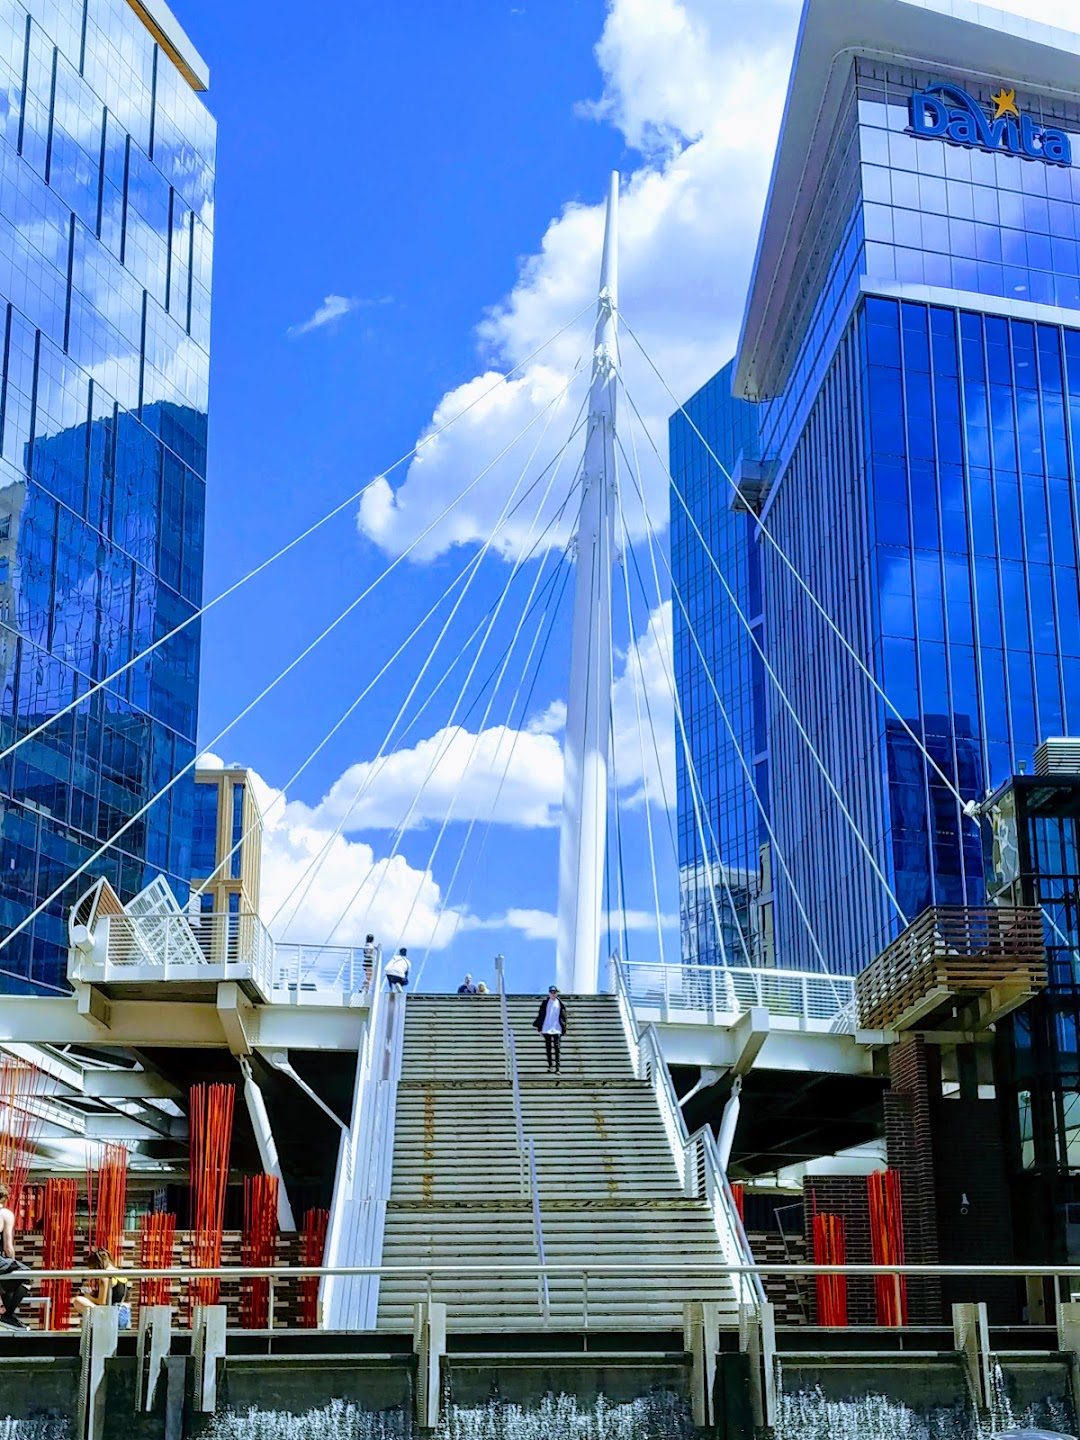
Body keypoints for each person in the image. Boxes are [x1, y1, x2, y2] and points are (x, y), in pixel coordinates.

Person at [74, 1248, 130, 1327]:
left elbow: (102, 1303)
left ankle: (97, 1324)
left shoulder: (105, 1277)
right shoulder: (119, 1273)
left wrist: (88, 1296)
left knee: (78, 1300)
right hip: (124, 1316)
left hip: (113, 1318)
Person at [0, 1184, 29, 1331]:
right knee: (25, 1274)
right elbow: (8, 1247)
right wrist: (12, 1260)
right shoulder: (5, 1214)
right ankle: (7, 1314)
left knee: (10, 1276)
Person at [532, 985, 568, 1073]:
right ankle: (550, 1065)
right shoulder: (545, 1003)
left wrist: (564, 1027)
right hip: (547, 1028)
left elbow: (563, 1017)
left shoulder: (560, 1003)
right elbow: (541, 1015)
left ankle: (557, 1068)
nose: (553, 994)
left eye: (554, 992)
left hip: (557, 1028)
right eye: (551, 992)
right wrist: (539, 1028)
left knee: (557, 1048)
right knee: (548, 1048)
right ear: (549, 993)